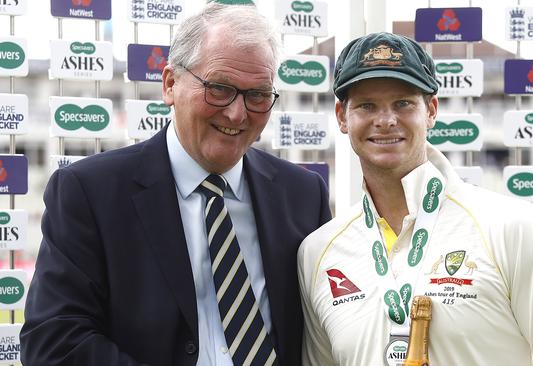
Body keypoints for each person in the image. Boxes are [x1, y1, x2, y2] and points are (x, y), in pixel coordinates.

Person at [21, 4, 331, 366]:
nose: (237, 113)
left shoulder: (303, 195)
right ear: (170, 84)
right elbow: (54, 341)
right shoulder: (89, 192)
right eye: (219, 88)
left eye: (257, 95)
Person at [298, 32, 533, 366]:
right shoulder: (318, 253)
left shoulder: (511, 225)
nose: (385, 120)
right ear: (342, 116)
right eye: (367, 105)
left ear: (430, 111)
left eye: (403, 103)